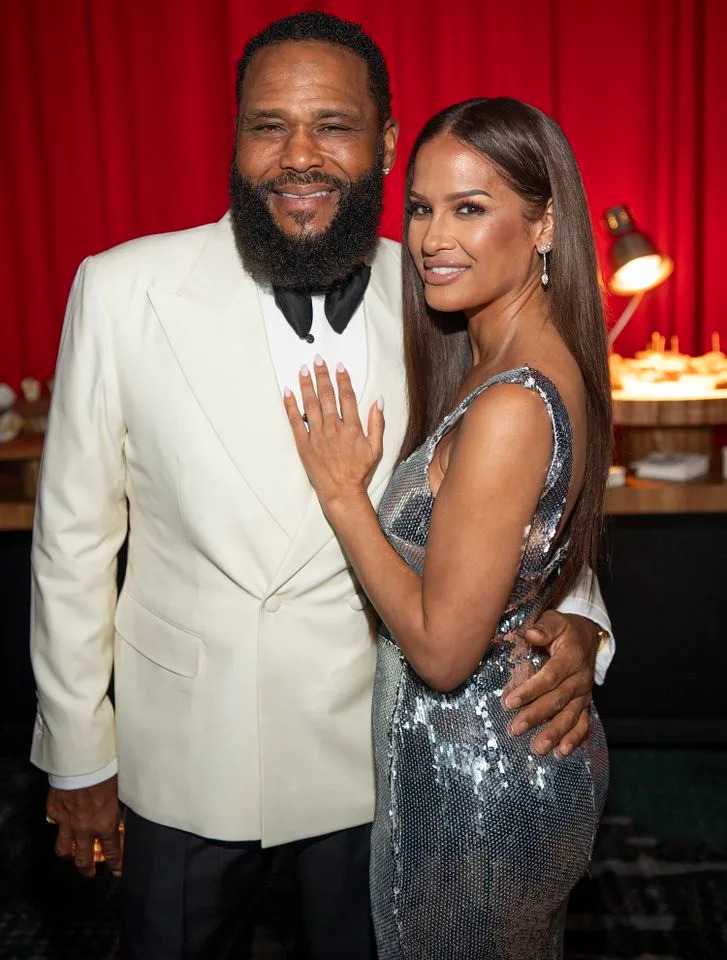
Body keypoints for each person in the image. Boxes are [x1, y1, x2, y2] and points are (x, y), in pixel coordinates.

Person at [29, 13, 613, 960]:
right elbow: (72, 543)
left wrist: (580, 620)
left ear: (383, 142)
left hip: (376, 758)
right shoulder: (122, 288)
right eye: (268, 126)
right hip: (185, 748)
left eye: (332, 125)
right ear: (236, 139)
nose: (298, 156)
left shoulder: (443, 286)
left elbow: (529, 480)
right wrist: (78, 751)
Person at [284, 96, 610, 959]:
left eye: (470, 208)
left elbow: (440, 651)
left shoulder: (510, 401)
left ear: (543, 226)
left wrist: (347, 498)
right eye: (422, 207)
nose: (432, 238)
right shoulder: (490, 357)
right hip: (468, 758)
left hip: (478, 779)